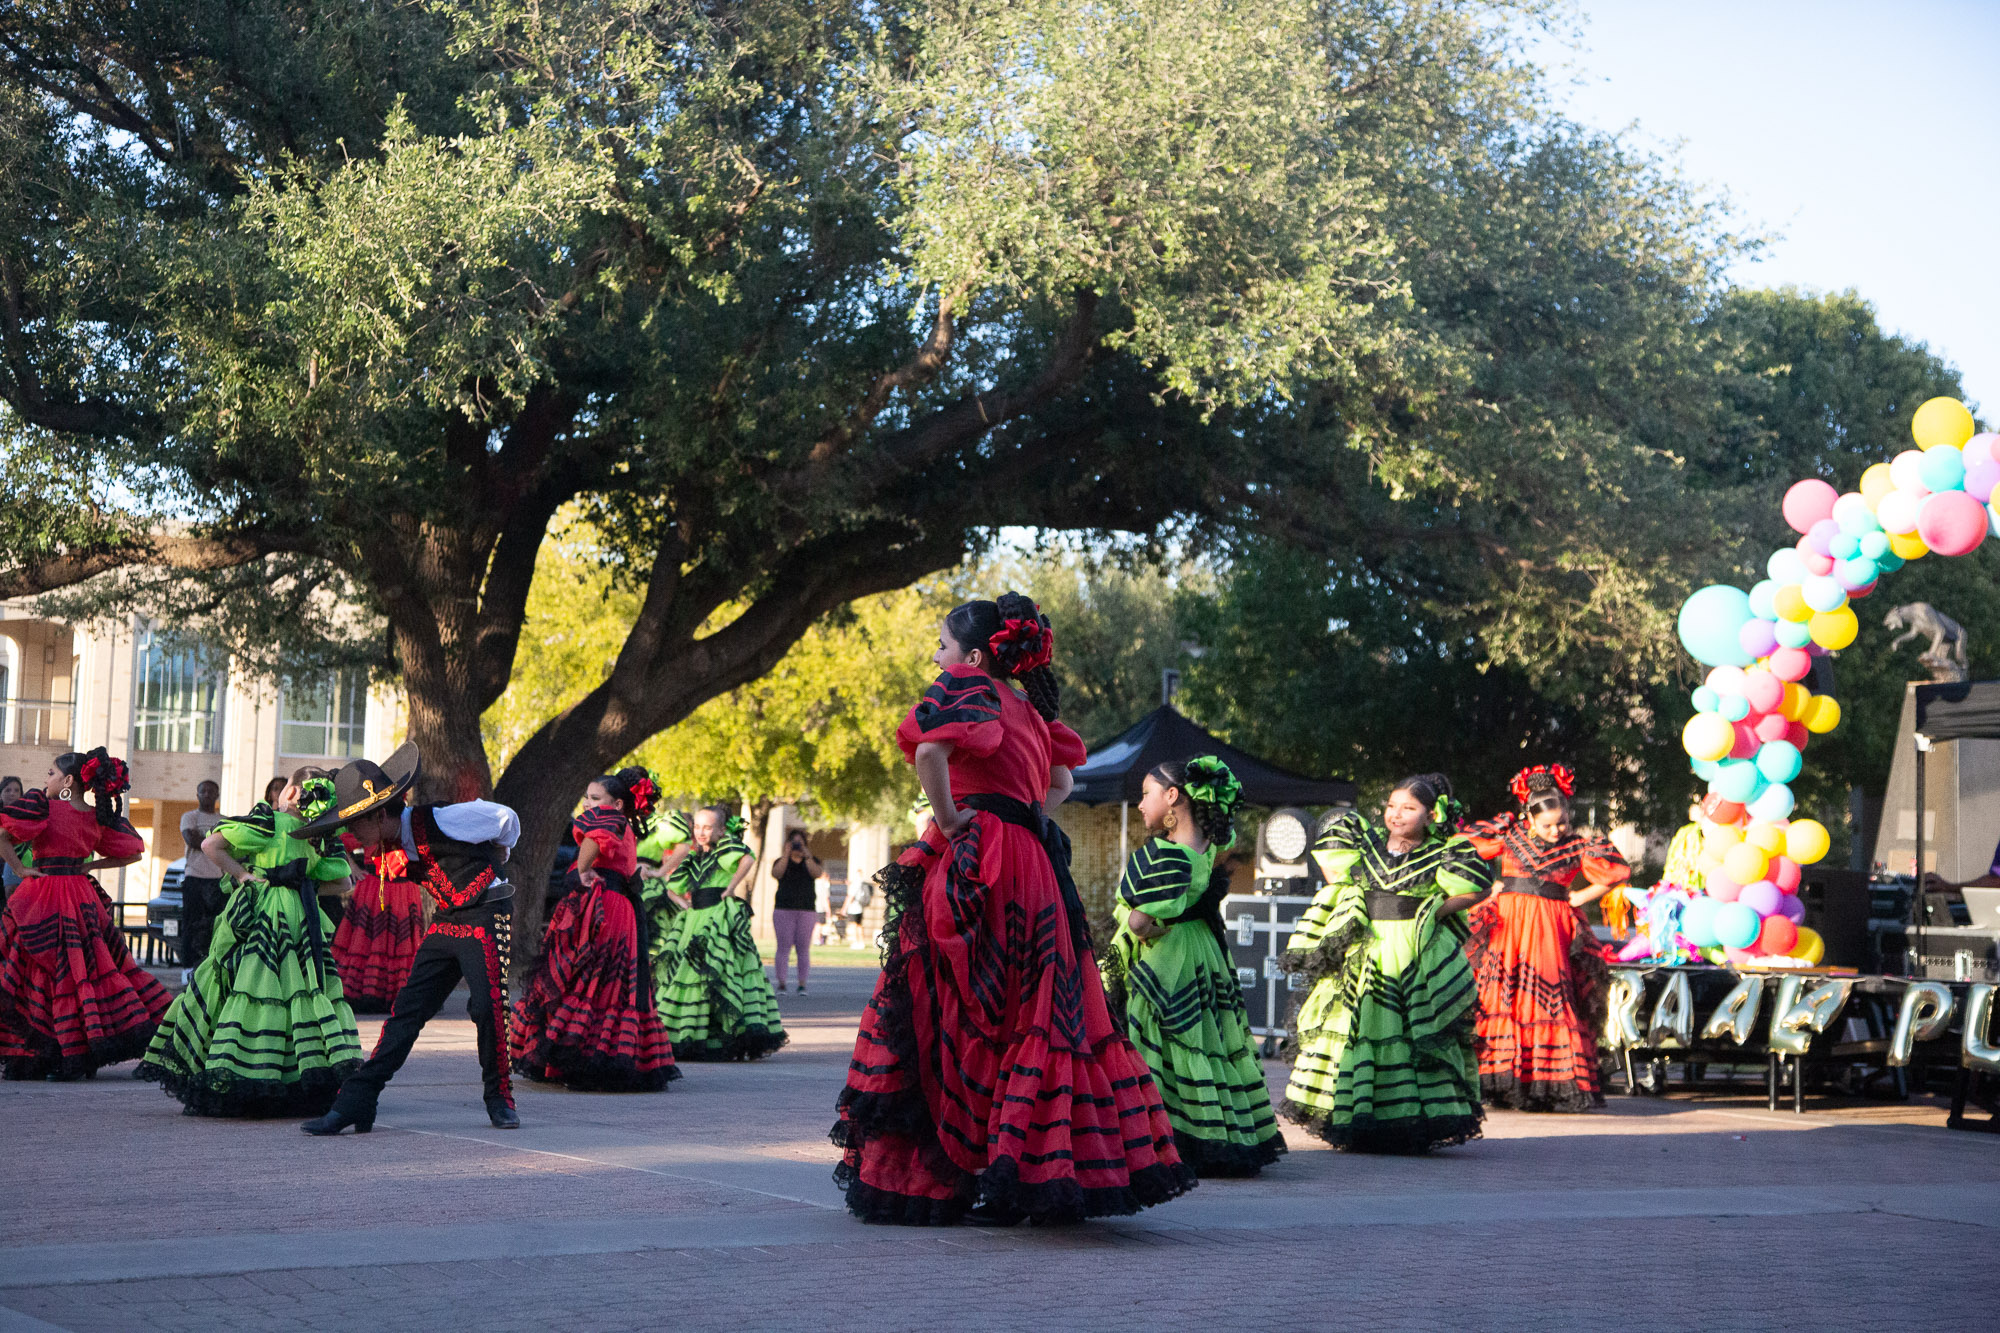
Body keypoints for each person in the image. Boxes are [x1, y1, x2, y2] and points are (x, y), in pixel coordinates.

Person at [833, 592, 1193, 1225]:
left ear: (974, 656)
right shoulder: (1028, 708)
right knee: (1033, 1006)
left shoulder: (971, 689)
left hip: (983, 859)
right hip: (1032, 863)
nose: (938, 657)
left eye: (943, 646)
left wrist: (951, 819)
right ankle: (1019, 1169)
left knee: (952, 998)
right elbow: (1062, 783)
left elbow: (927, 753)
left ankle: (948, 1172)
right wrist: (1025, 817)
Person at [298, 744, 525, 1134]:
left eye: (356, 824)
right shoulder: (384, 844)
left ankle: (499, 1097)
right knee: (407, 1010)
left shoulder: (443, 817)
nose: (352, 834)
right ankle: (357, 1100)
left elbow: (504, 817)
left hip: (486, 913)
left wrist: (501, 848)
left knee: (488, 1007)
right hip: (447, 919)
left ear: (381, 814)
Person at [1281, 773, 1493, 1153]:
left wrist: (1436, 911)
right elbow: (1335, 874)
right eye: (1392, 806)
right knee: (1354, 1028)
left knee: (1408, 1032)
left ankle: (1407, 1123)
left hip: (1409, 951)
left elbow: (1479, 887)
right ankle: (1352, 1116)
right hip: (1364, 948)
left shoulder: (1444, 852)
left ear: (1431, 816)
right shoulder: (1366, 846)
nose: (1397, 814)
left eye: (1409, 809)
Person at [137, 769, 362, 1116]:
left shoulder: (269, 823)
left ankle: (237, 1072)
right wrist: (304, 885)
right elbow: (344, 882)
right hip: (300, 916)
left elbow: (212, 844)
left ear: (289, 793)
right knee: (299, 990)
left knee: (247, 985)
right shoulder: (317, 837)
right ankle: (294, 1077)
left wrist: (244, 875)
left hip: (263, 909)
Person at [1103, 755, 1284, 1177]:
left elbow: (1143, 920)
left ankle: (1150, 1136)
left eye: (1146, 794)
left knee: (1149, 1035)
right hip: (1202, 949)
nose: (1142, 804)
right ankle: (1210, 1133)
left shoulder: (1165, 855)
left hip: (1166, 954)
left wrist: (1132, 920)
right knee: (1204, 1039)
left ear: (1172, 797)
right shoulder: (1210, 847)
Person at [1461, 763, 1627, 1112]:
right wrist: (1487, 887)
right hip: (1508, 924)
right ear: (1529, 818)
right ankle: (1501, 1081)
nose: (1556, 830)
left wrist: (1582, 896)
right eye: (1548, 824)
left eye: (1562, 823)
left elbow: (1614, 872)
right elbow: (1463, 847)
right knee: (1502, 996)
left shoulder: (1577, 846)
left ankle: (1546, 1084)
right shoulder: (1508, 835)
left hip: (1550, 929)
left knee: (1549, 997)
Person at [0, 749, 169, 1079]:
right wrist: (90, 865)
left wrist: (20, 869)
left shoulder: (43, 806)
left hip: (44, 892)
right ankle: (77, 1051)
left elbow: (3, 834)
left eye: (50, 773)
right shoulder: (97, 816)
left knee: (40, 970)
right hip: (80, 895)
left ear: (67, 781)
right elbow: (132, 854)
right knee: (84, 972)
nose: (45, 779)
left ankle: (49, 1052)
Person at [510, 768, 678, 1091]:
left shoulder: (609, 820)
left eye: (596, 798)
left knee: (590, 980)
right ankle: (590, 1056)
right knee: (600, 984)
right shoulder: (622, 825)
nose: (588, 804)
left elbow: (593, 842)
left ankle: (584, 1057)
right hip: (614, 909)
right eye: (587, 797)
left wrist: (584, 870)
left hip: (604, 910)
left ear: (616, 804)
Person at [642, 806, 786, 1060]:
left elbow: (748, 858)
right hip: (695, 917)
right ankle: (693, 1035)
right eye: (697, 827)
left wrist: (731, 887)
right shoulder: (694, 859)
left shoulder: (724, 849)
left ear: (720, 830)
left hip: (718, 917)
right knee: (689, 975)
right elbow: (672, 889)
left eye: (707, 827)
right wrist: (683, 903)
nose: (701, 832)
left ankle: (727, 1035)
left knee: (721, 971)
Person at [330, 833, 425, 1012]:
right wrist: (353, 868)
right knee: (371, 941)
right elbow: (339, 841)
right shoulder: (373, 822)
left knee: (398, 941)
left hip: (402, 887)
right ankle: (370, 992)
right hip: (376, 886)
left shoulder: (408, 823)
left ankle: (400, 994)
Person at [176, 779, 226, 983]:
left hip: (218, 879)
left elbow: (228, 845)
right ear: (197, 795)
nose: (206, 794)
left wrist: (205, 838)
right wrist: (214, 839)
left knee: (216, 925)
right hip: (194, 878)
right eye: (202, 791)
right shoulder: (189, 816)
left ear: (217, 795)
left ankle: (212, 965)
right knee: (191, 924)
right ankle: (188, 968)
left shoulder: (224, 819)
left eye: (211, 791)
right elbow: (192, 841)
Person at [771, 828, 822, 993]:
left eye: (800, 843)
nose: (797, 846)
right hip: (783, 909)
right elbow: (776, 873)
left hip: (806, 910)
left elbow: (817, 873)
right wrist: (786, 854)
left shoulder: (812, 861)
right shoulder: (781, 861)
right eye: (794, 843)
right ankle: (782, 983)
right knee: (783, 947)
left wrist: (806, 855)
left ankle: (802, 984)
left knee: (803, 948)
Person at [0, 776, 25, 908]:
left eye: (16, 790)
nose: (12, 793)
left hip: (16, 871)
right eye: (7, 790)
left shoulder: (27, 819)